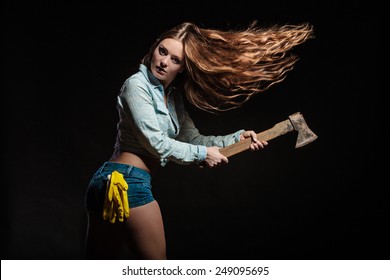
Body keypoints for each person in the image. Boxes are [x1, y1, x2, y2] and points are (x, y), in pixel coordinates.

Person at [84, 21, 314, 259]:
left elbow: (194, 139)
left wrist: (238, 138)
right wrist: (204, 155)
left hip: (112, 181)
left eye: (175, 59)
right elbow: (156, 143)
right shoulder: (136, 85)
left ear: (183, 67)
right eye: (162, 51)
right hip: (126, 183)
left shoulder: (172, 98)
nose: (164, 61)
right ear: (154, 49)